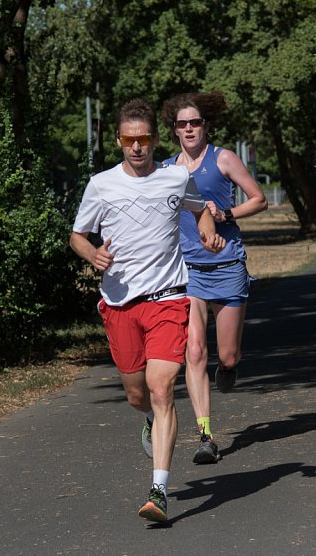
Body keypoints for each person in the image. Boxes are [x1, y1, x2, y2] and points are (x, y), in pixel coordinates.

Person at [70, 98, 225, 524]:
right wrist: (92, 256)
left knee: (161, 389)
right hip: (120, 303)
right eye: (128, 139)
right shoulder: (101, 184)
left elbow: (201, 213)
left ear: (156, 139)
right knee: (138, 394)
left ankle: (159, 489)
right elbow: (77, 236)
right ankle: (149, 421)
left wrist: (209, 236)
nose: (137, 147)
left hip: (168, 297)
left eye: (144, 139)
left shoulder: (176, 177)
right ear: (119, 141)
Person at [160, 92, 268, 465]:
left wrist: (225, 213)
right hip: (187, 271)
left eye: (195, 122)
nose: (189, 129)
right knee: (193, 352)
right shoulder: (166, 170)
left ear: (206, 126)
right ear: (173, 130)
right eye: (181, 124)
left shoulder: (223, 158)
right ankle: (205, 434)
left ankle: (229, 368)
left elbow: (259, 199)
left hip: (226, 265)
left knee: (227, 354)